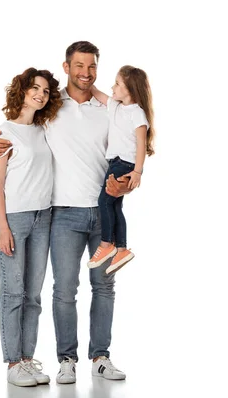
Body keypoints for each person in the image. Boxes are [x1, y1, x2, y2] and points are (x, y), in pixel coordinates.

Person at [0, 41, 131, 384]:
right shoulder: (52, 106)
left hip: (105, 211)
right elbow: (14, 132)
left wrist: (128, 181)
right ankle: (66, 359)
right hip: (62, 214)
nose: (85, 73)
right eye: (79, 66)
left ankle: (101, 357)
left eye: (92, 66)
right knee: (63, 290)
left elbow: (137, 133)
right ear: (66, 67)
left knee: (103, 287)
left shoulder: (109, 108)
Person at [0, 67, 62, 387]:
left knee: (33, 295)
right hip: (16, 220)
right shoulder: (3, 133)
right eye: (35, 88)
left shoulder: (46, 129)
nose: (40, 94)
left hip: (43, 217)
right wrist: (4, 227)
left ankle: (27, 360)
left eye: (46, 91)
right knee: (13, 293)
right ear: (22, 90)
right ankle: (12, 362)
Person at [86, 66, 156, 275]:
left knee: (104, 201)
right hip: (114, 162)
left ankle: (107, 244)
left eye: (117, 84)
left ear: (131, 89)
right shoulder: (115, 106)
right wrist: (88, 81)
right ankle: (122, 249)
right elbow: (97, 93)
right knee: (114, 206)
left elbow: (141, 144)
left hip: (124, 163)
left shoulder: (137, 113)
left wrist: (137, 171)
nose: (113, 87)